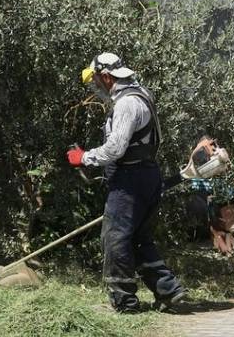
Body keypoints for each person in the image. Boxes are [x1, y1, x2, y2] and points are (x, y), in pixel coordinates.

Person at [67, 52, 187, 313]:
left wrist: (83, 157)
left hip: (130, 180)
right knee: (139, 238)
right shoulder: (140, 93)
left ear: (107, 77)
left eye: (98, 81)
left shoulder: (126, 105)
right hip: (147, 175)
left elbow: (115, 149)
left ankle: (124, 301)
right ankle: (168, 290)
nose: (95, 87)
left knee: (116, 238)